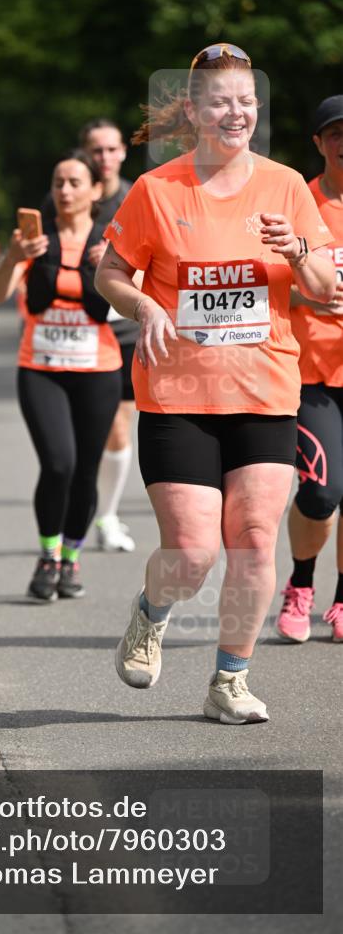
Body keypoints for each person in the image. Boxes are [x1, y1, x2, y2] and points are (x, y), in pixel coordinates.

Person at [95, 43, 336, 723]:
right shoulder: (157, 190)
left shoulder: (287, 186)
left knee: (256, 539)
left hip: (263, 391)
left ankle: (228, 680)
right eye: (221, 102)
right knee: (194, 551)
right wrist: (141, 303)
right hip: (178, 396)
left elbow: (323, 288)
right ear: (195, 111)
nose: (235, 113)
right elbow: (108, 273)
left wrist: (294, 249)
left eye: (246, 102)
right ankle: (152, 610)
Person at [0, 150, 122, 601]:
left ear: (95, 191)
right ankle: (47, 555)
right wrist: (11, 257)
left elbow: (133, 303)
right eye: (58, 182)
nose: (65, 191)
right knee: (58, 463)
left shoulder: (113, 240)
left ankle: (71, 555)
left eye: (75, 182)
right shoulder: (33, 240)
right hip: (40, 368)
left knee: (86, 470)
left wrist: (115, 267)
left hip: (97, 371)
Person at [44, 120, 137, 552]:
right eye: (95, 150)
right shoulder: (63, 194)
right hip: (80, 329)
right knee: (80, 437)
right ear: (85, 152)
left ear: (122, 153)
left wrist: (120, 263)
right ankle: (81, 506)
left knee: (119, 427)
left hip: (126, 328)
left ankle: (107, 515)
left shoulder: (140, 195)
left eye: (111, 149)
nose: (104, 158)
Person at [276, 96, 343, 644]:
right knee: (322, 493)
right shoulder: (299, 200)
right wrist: (313, 302)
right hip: (310, 373)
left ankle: (342, 596)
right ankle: (300, 583)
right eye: (334, 132)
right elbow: (269, 284)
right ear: (319, 143)